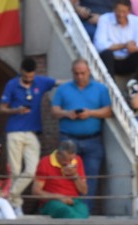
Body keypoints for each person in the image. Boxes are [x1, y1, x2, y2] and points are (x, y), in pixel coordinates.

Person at [51, 59, 112, 212]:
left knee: (90, 178)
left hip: (93, 139)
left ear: (89, 72)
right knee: (66, 174)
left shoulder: (100, 89)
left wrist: (90, 113)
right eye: (76, 73)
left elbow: (109, 111)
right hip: (68, 139)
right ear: (72, 73)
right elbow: (54, 111)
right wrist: (67, 113)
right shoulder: (63, 89)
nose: (80, 76)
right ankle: (68, 209)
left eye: (83, 73)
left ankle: (86, 212)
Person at [0, 58, 58, 215]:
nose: (29, 79)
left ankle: (8, 196)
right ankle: (16, 206)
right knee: (15, 172)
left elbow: (57, 82)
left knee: (31, 170)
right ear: (21, 71)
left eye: (31, 77)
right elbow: (2, 109)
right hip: (14, 131)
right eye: (26, 76)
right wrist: (16, 110)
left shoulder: (40, 82)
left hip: (32, 132)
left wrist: (76, 79)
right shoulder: (11, 84)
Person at [32, 140, 89, 219]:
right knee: (66, 211)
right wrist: (59, 197)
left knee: (84, 211)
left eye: (71, 160)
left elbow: (84, 191)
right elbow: (36, 191)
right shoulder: (45, 162)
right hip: (52, 202)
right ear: (58, 154)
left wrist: (75, 176)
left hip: (74, 200)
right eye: (65, 160)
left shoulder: (78, 160)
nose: (68, 163)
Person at [95, 0, 138, 76]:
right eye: (118, 11)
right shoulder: (104, 19)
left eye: (124, 12)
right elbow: (99, 45)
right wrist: (124, 45)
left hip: (128, 59)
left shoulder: (135, 21)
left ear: (129, 11)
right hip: (112, 60)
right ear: (114, 10)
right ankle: (111, 85)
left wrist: (133, 48)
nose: (121, 15)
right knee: (106, 54)